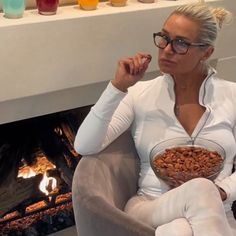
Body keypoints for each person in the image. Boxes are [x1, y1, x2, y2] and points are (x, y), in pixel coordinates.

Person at [74, 1, 236, 235]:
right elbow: (84, 145)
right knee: (201, 188)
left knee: (179, 229)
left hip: (216, 211)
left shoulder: (232, 95)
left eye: (181, 43)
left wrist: (222, 191)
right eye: (164, 38)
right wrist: (117, 87)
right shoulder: (139, 94)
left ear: (206, 52)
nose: (167, 49)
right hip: (150, 206)